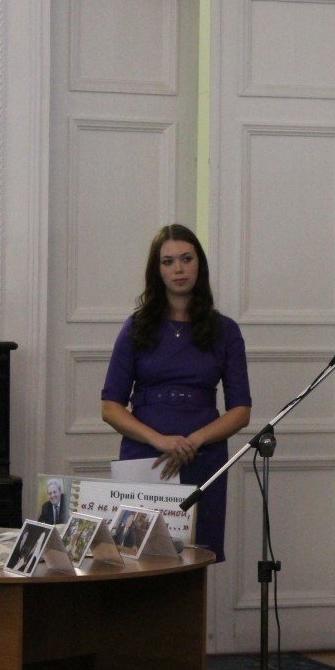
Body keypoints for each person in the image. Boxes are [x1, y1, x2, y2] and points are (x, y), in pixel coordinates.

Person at [101, 224, 252, 562]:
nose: (179, 269)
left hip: (203, 456)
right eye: (168, 262)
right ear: (157, 271)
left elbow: (241, 411)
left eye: (186, 259)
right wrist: (160, 441)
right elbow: (110, 407)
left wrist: (193, 442)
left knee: (195, 558)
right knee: (139, 558)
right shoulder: (136, 327)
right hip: (146, 456)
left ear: (200, 264)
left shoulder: (225, 330)